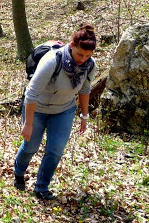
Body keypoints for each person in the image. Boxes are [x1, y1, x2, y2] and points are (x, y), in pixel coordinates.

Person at [13, 24, 98, 200]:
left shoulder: (90, 65)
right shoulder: (53, 60)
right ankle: (19, 172)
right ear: (72, 45)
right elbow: (32, 93)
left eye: (88, 55)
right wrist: (28, 124)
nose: (83, 59)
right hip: (37, 108)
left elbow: (85, 89)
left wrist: (84, 116)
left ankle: (42, 187)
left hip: (64, 110)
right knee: (31, 147)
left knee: (55, 150)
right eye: (80, 54)